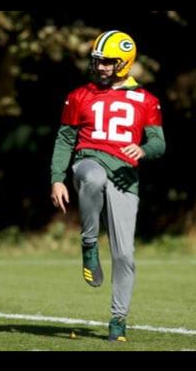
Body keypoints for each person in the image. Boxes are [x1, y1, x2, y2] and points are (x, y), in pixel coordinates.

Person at [49, 30, 166, 342]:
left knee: (124, 254)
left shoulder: (147, 100)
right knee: (93, 177)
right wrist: (57, 179)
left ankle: (118, 320)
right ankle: (89, 243)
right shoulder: (79, 95)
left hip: (126, 178)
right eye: (97, 60)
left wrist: (143, 150)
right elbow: (64, 139)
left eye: (107, 62)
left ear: (124, 63)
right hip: (88, 161)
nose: (99, 66)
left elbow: (159, 143)